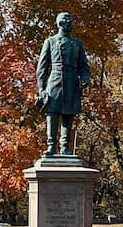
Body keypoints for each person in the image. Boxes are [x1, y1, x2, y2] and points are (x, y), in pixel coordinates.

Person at [36, 12, 90, 156]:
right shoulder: (50, 41)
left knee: (68, 114)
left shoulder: (77, 44)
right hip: (54, 80)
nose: (71, 24)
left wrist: (85, 77)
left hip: (72, 81)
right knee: (52, 113)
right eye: (69, 21)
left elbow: (83, 65)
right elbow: (42, 67)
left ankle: (65, 146)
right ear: (61, 23)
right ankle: (51, 146)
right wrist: (41, 88)